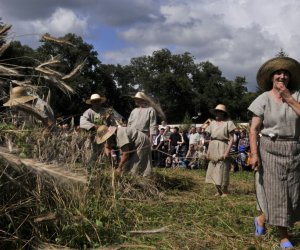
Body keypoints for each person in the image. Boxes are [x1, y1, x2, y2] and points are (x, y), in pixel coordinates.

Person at [248, 56, 300, 249]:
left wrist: (289, 99)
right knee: (276, 193)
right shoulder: (262, 99)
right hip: (270, 149)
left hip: (294, 150)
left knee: (293, 193)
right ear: (271, 77)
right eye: (278, 73)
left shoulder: (297, 96)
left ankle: (261, 219)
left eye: (286, 73)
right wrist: (254, 154)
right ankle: (283, 236)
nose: (282, 76)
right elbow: (253, 129)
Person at [205, 104, 236, 197]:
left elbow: (231, 139)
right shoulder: (212, 123)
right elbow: (210, 139)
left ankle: (225, 190)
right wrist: (208, 151)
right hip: (213, 146)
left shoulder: (228, 123)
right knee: (214, 168)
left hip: (223, 146)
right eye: (217, 111)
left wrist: (227, 151)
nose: (218, 113)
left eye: (220, 112)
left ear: (223, 113)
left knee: (223, 168)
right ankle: (218, 190)